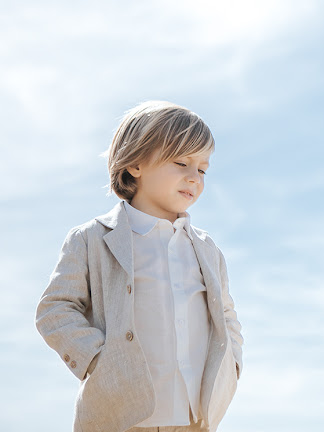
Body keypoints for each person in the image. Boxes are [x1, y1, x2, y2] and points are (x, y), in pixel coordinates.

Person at [35, 101, 243, 432]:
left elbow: (227, 318)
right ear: (135, 164)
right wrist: (101, 362)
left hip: (195, 420)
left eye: (202, 169)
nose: (194, 178)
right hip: (120, 418)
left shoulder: (207, 250)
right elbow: (55, 310)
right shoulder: (91, 239)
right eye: (181, 163)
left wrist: (232, 365)